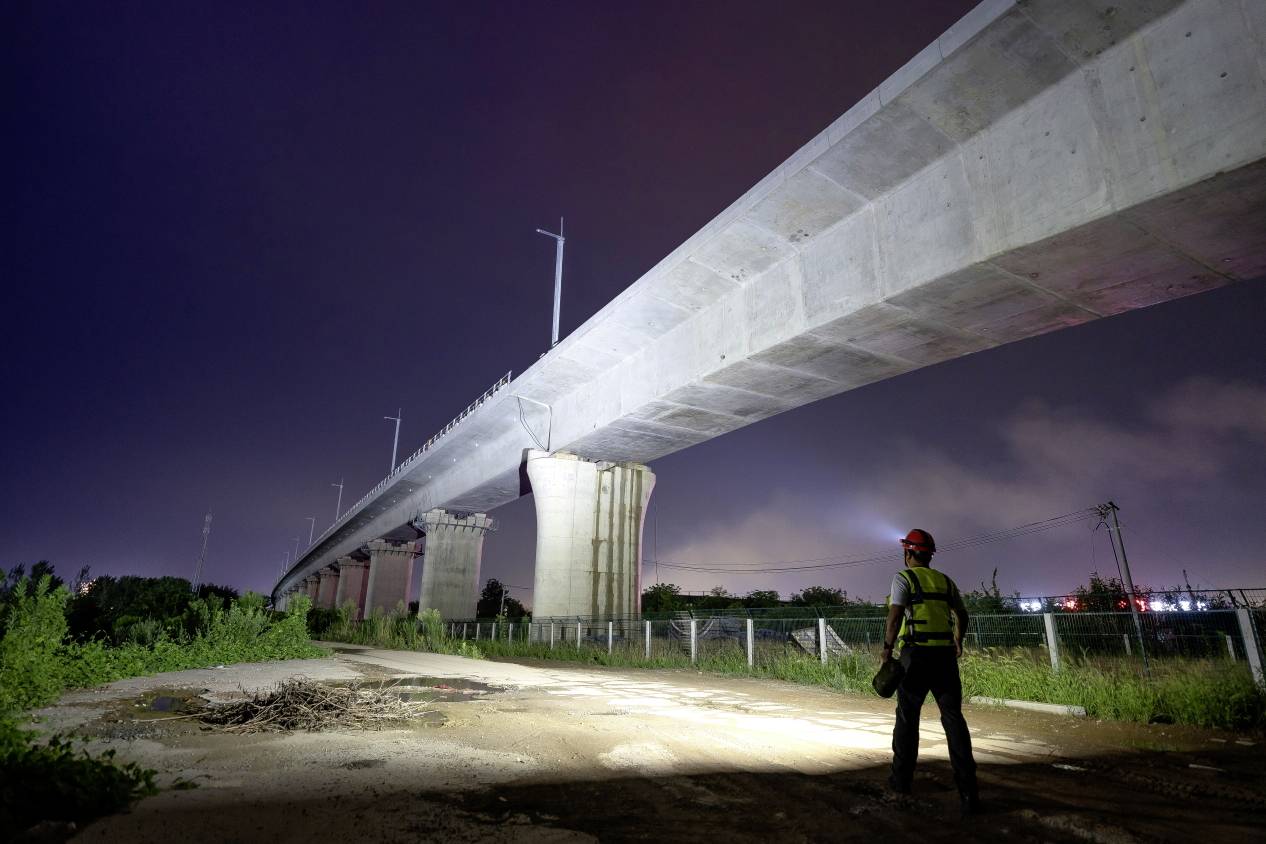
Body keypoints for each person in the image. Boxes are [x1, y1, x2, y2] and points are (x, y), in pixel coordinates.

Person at [882, 528, 980, 816]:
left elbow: (895, 615)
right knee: (953, 720)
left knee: (907, 718)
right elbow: (962, 614)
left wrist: (887, 650)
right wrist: (957, 640)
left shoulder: (903, 578)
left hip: (916, 656)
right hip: (944, 658)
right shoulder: (945, 581)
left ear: (908, 552)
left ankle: (901, 781)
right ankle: (968, 792)